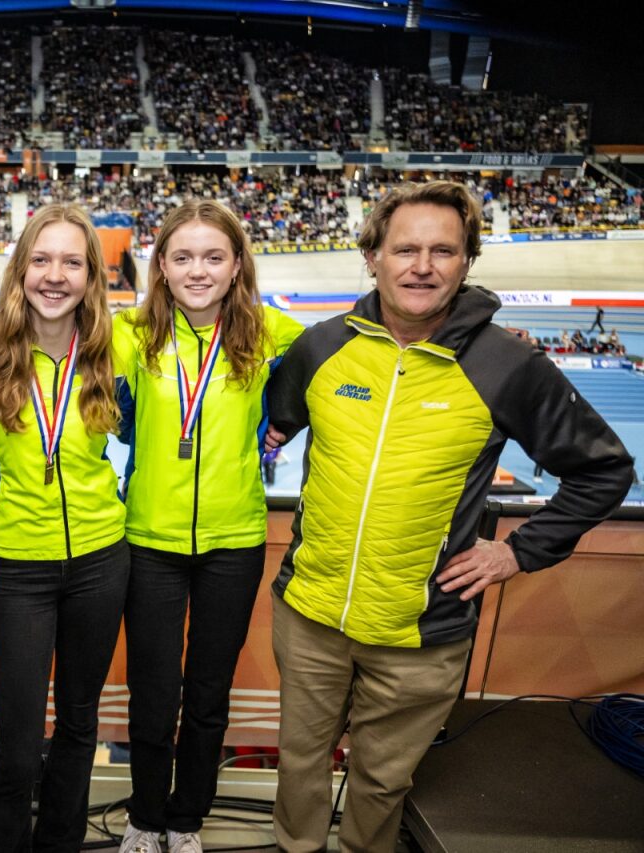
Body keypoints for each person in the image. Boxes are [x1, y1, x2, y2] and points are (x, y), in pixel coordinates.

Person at [264, 180, 633, 853]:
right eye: (405, 248)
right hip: (311, 616)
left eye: (443, 250)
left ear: (467, 262)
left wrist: (517, 551)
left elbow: (604, 469)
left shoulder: (506, 364)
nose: (422, 265)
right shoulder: (321, 347)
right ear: (372, 255)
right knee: (300, 770)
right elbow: (274, 421)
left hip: (422, 632)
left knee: (381, 785)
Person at [111, 200, 302, 853]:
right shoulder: (132, 333)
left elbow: (340, 361)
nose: (198, 270)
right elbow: (45, 340)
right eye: (184, 256)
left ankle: (187, 821)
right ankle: (143, 817)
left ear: (237, 264)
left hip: (235, 540)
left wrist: (284, 423)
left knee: (208, 693)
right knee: (153, 691)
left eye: (214, 256)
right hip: (149, 540)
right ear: (161, 265)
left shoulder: (270, 330)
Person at [0, 204, 128, 851]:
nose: (55, 275)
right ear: (21, 269)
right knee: (20, 744)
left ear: (91, 276)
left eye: (72, 262)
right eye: (42, 259)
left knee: (81, 729)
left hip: (103, 562)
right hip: (19, 566)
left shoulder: (118, 351)